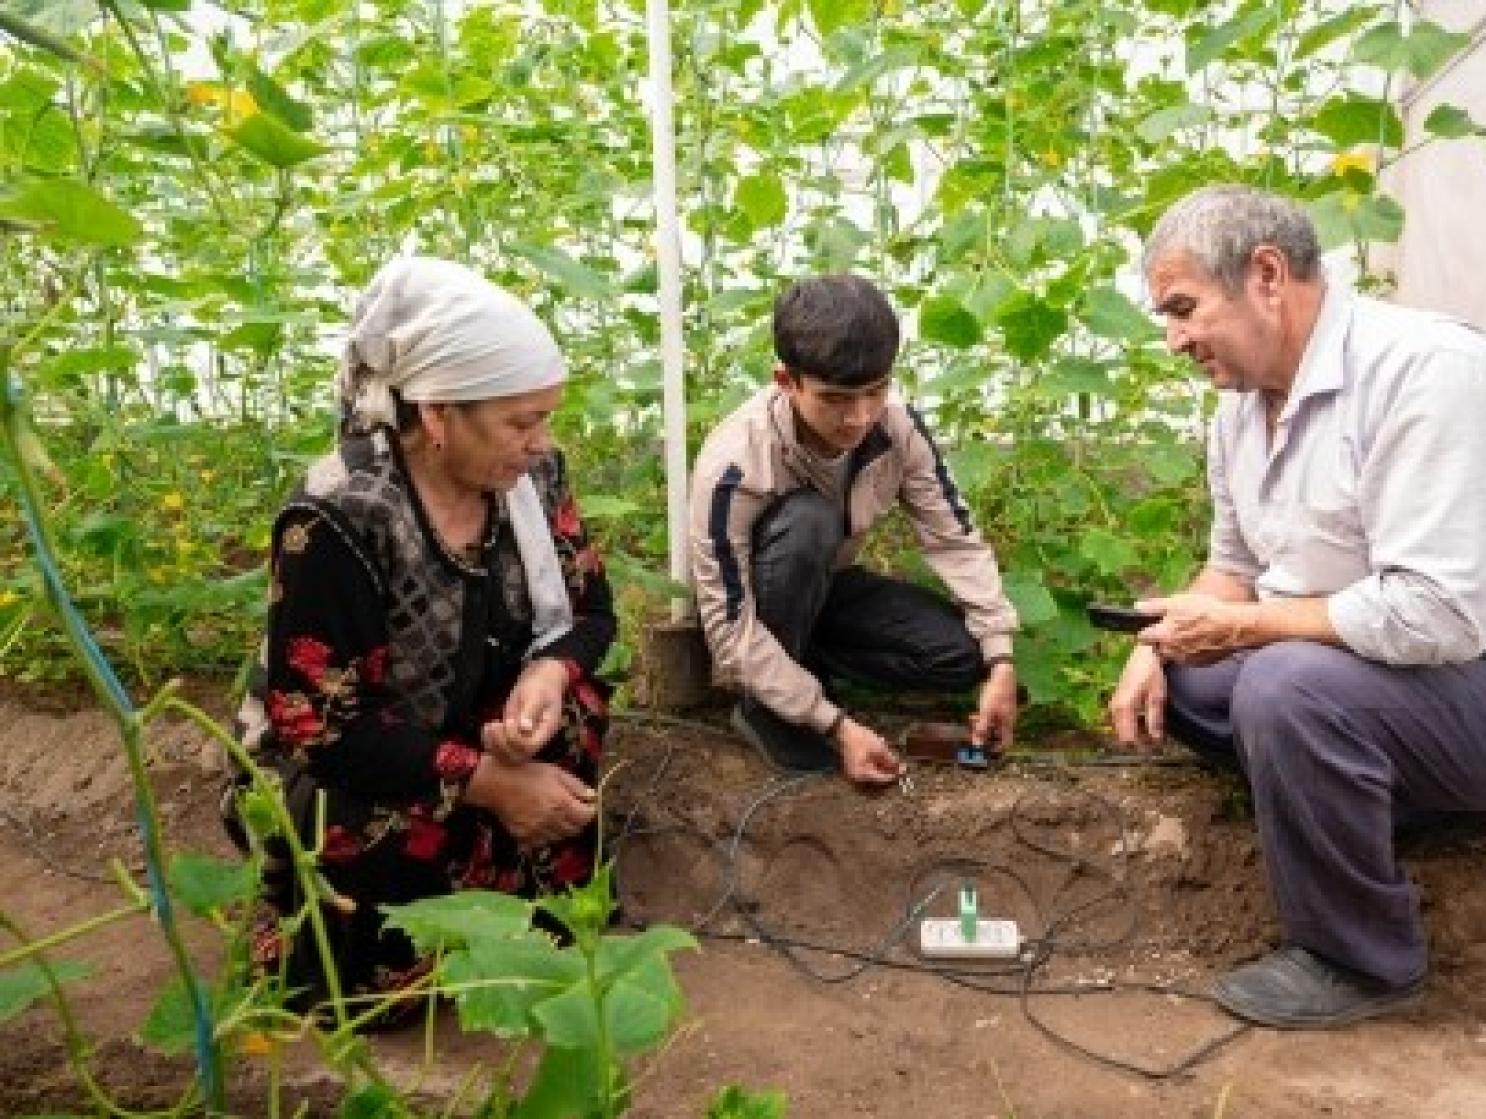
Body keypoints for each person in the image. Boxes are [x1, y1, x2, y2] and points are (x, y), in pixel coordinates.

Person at [1108, 185, 1486, 1029]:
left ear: (1266, 276)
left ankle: (1360, 958)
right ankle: (1434, 805)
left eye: (1183, 309)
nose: (1173, 338)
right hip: (1430, 680)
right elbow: (1233, 567)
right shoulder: (1239, 415)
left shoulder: (1431, 373)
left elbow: (1441, 614)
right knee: (1190, 683)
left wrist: (1246, 627)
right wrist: (1154, 643)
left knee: (1285, 688)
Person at [226, 256, 616, 1017]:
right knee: (361, 834)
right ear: (438, 415)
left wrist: (544, 676)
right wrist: (490, 781)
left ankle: (531, 913)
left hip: (459, 732)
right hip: (344, 763)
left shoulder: (531, 479)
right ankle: (366, 955)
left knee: (573, 711)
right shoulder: (340, 517)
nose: (541, 442)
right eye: (521, 422)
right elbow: (323, 731)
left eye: (546, 418)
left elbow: (592, 613)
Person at [688, 274, 1020, 787]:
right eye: (836, 399)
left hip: (827, 589)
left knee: (961, 656)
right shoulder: (735, 464)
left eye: (875, 391)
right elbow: (730, 631)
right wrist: (835, 726)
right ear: (786, 381)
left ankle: (800, 669)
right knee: (809, 521)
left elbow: (953, 538)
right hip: (754, 607)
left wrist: (1001, 661)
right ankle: (767, 710)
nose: (859, 417)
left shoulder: (897, 428)